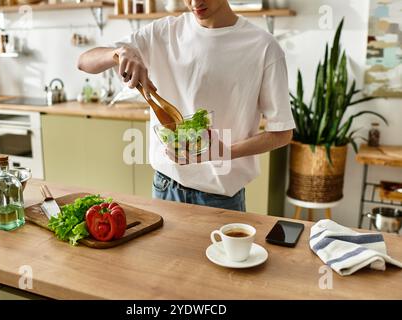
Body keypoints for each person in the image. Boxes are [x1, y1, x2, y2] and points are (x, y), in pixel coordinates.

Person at [78, 0, 295, 212]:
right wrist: (118, 54)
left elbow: (282, 133)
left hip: (221, 200)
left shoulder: (264, 47)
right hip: (164, 189)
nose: (194, 3)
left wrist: (223, 152)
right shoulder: (162, 32)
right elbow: (84, 61)